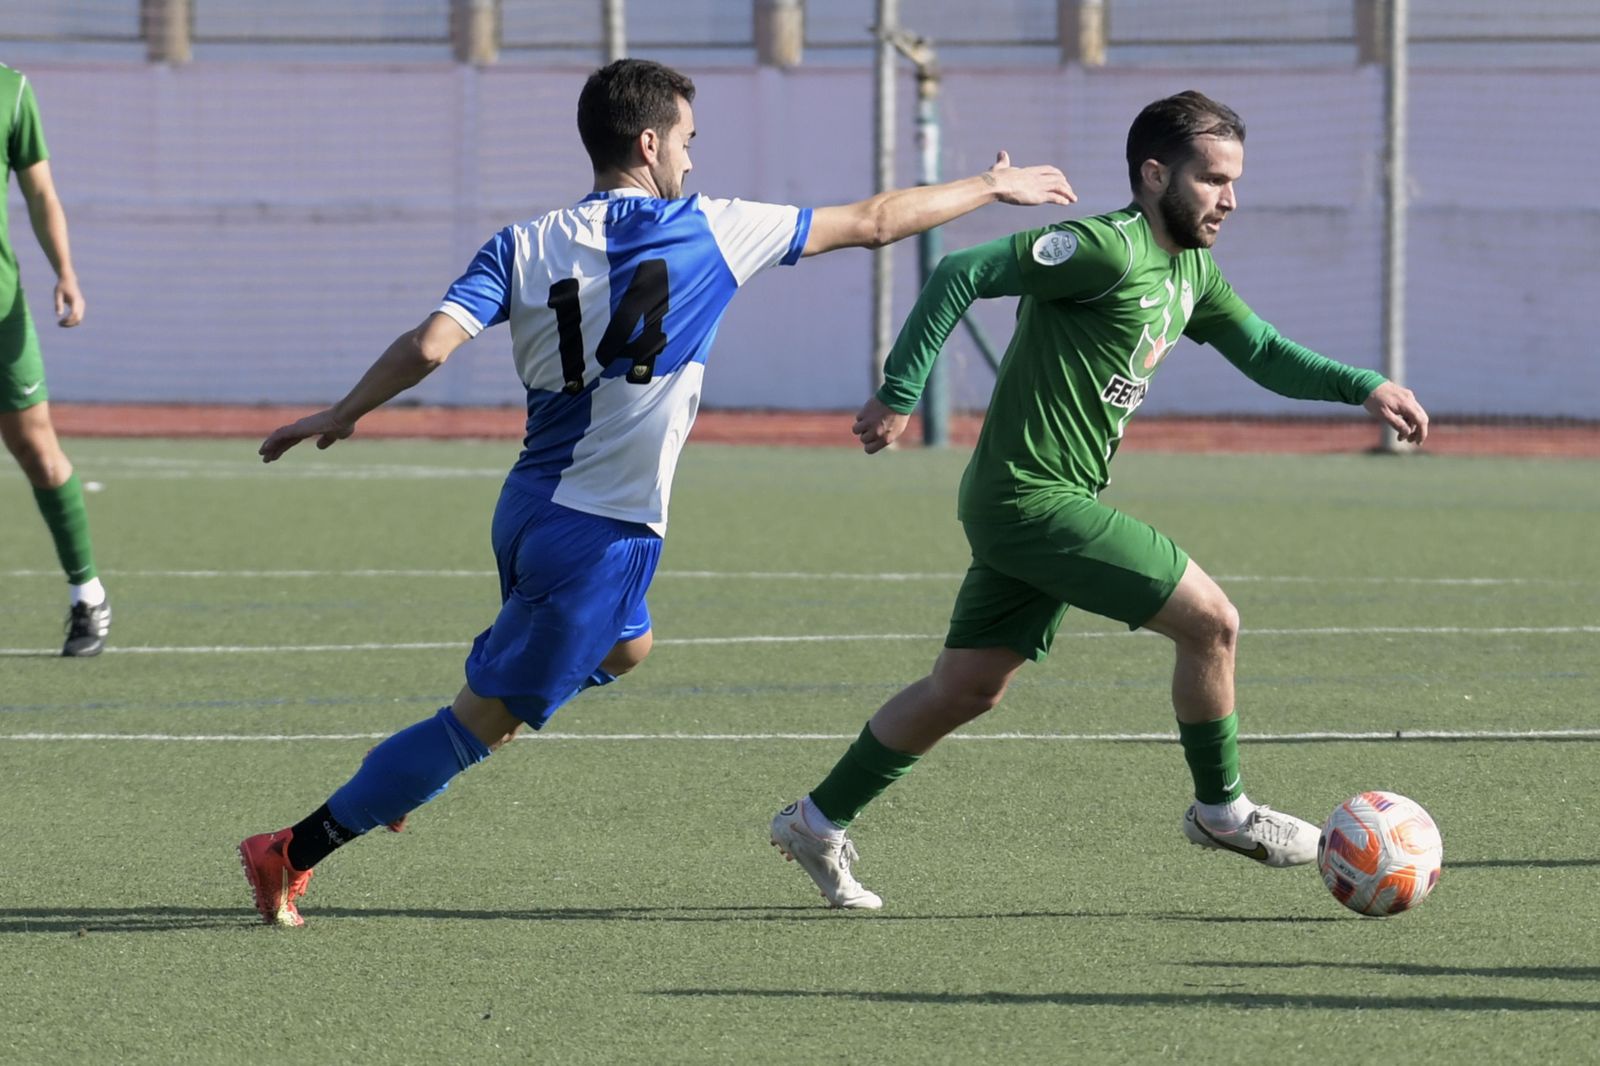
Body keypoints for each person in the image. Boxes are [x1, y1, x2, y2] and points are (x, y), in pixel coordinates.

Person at [237, 58, 1074, 927]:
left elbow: (430, 345)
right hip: (596, 536)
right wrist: (990, 183)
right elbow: (872, 222)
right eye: (686, 140)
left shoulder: (521, 243)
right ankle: (292, 850)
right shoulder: (710, 229)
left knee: (629, 649)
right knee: (473, 728)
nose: (690, 159)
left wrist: (344, 412)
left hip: (533, 509)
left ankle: (435, 747)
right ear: (648, 142)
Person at [769, 90, 1429, 910]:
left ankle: (815, 819)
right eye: (1212, 180)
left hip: (1048, 501)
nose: (1230, 199)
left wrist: (1362, 385)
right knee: (1213, 622)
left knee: (967, 688)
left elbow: (1260, 351)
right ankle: (1221, 811)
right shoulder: (1103, 249)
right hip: (1028, 498)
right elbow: (959, 271)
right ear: (1154, 175)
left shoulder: (1190, 267)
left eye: (1234, 181)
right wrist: (900, 390)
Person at [0, 64, 109, 657]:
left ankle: (86, 594)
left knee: (38, 453)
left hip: (1, 309)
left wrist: (65, 271)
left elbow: (41, 192)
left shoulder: (11, 91)